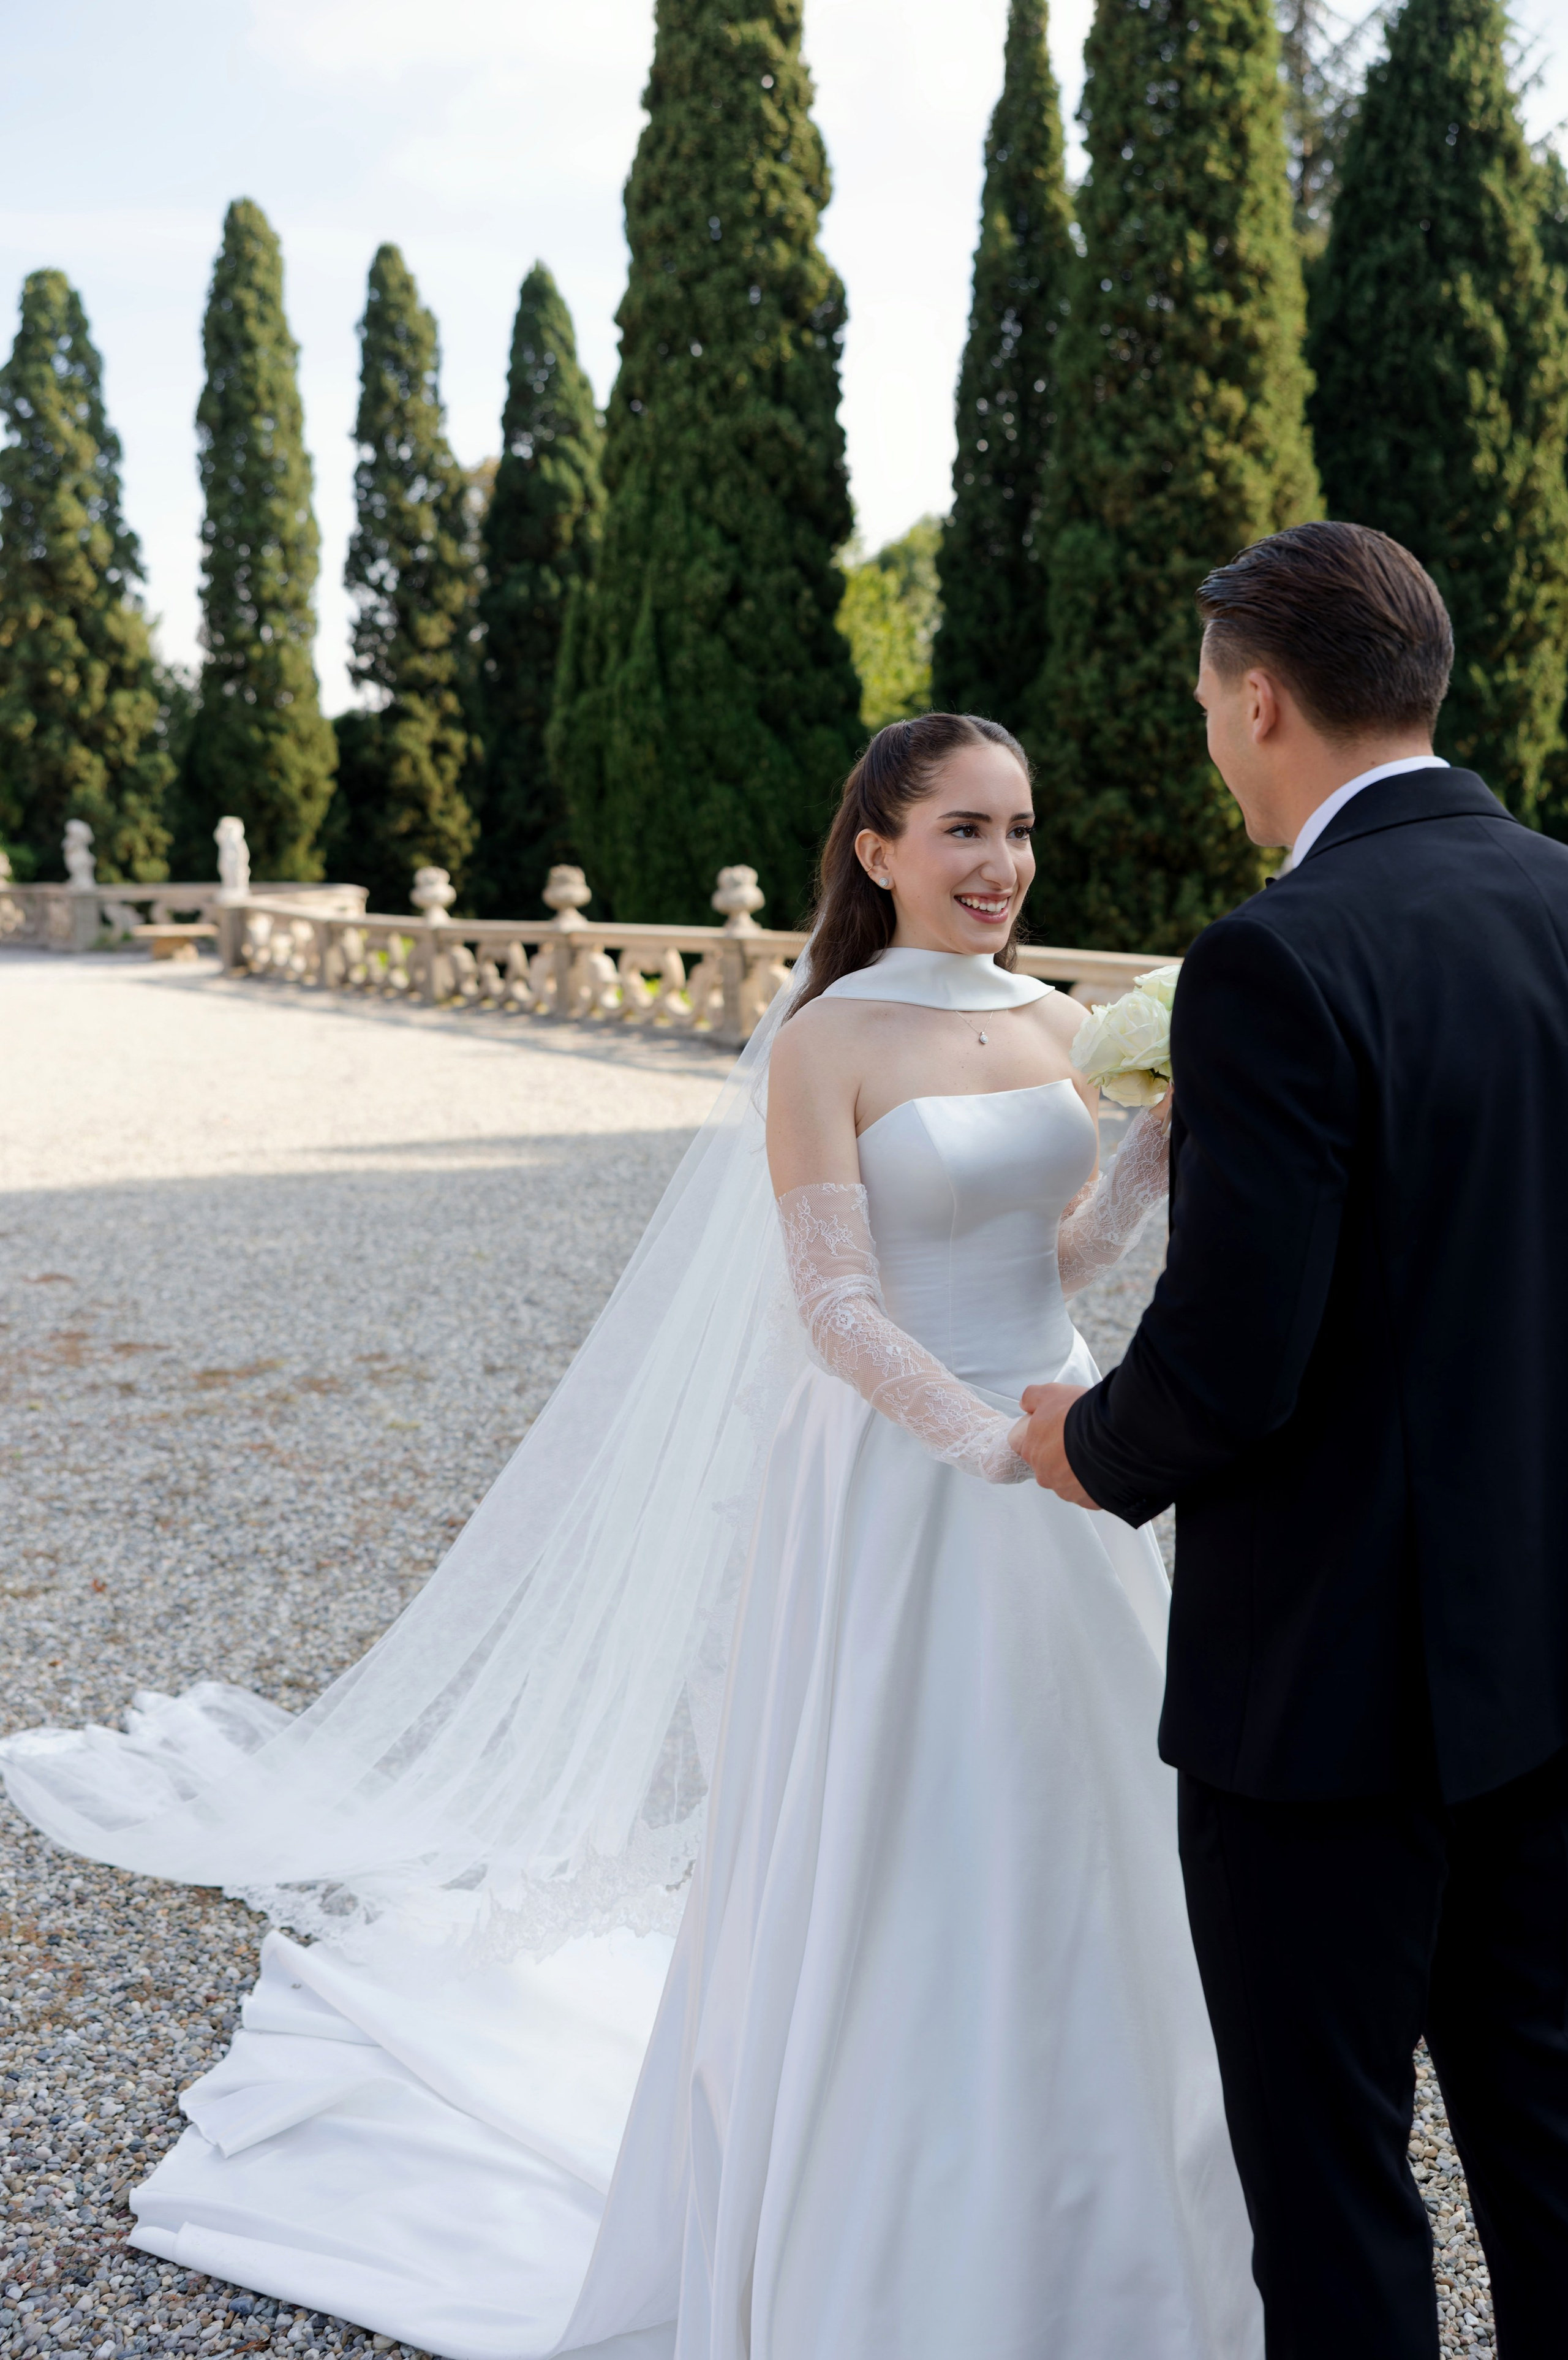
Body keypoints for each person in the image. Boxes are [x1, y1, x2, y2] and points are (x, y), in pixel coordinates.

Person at [1, 715, 1261, 2359]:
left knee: (1084, 1810)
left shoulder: (1048, 1023)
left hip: (1060, 1445)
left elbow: (1067, 1259)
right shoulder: (826, 1039)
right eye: (963, 829)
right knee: (906, 1811)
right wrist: (987, 1445)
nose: (1002, 865)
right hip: (906, 1471)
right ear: (874, 845)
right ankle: (879, 2194)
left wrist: (1154, 1145)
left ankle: (1096, 2182)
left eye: (1020, 829)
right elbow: (834, 1306)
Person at [1017, 520, 1568, 2358]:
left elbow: (1231, 1359)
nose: (1204, 730)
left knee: (1331, 2189)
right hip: (1541, 1670)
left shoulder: (1277, 959)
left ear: (1262, 701)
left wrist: (1079, 1444)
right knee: (1549, 2146)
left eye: (1203, 699)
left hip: (1323, 1699)